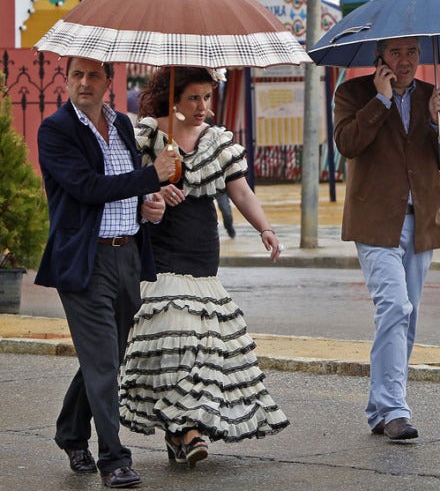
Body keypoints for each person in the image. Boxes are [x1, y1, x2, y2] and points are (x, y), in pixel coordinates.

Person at [118, 66, 289, 467]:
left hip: (202, 254)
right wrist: (153, 186)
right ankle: (186, 430)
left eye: (207, 98)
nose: (202, 107)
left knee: (205, 344)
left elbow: (241, 190)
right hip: (159, 250)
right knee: (173, 335)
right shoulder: (146, 136)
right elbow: (126, 185)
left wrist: (265, 228)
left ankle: (182, 432)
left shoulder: (217, 141)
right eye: (193, 98)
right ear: (173, 98)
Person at [35, 56, 179, 489]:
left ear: (108, 81)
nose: (84, 82)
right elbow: (86, 188)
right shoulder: (55, 131)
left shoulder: (121, 127)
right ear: (67, 80)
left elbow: (125, 188)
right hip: (84, 260)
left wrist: (148, 203)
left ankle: (69, 431)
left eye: (93, 74)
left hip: (127, 256)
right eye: (76, 74)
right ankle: (114, 459)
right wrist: (149, 176)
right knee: (102, 362)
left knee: (108, 357)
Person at [333, 36, 440, 441]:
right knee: (395, 306)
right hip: (375, 220)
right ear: (380, 57)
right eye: (395, 53)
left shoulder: (431, 95)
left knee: (408, 317)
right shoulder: (352, 93)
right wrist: (381, 101)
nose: (404, 61)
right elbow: (347, 144)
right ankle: (394, 410)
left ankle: (379, 407)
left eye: (411, 53)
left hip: (421, 219)